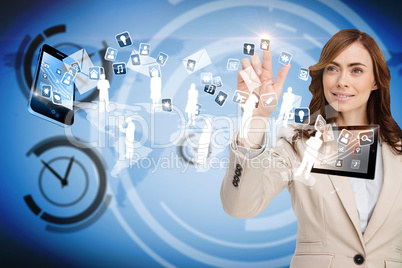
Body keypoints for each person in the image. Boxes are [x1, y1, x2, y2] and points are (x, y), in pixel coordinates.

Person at [220, 29, 402, 267]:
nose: (342, 81)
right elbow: (240, 207)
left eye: (356, 70)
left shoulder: (396, 152)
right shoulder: (297, 143)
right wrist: (256, 120)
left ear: (376, 81)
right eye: (333, 68)